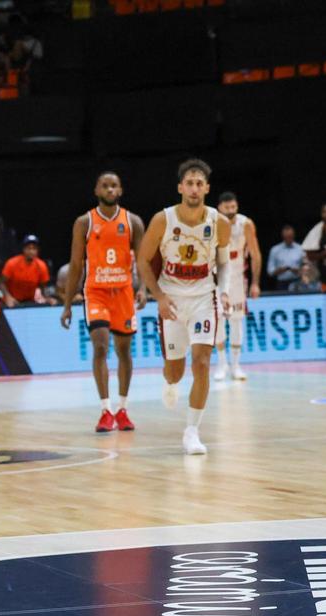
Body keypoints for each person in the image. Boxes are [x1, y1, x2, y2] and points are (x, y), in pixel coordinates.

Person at [136, 159, 232, 456]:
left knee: (202, 361)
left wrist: (224, 291)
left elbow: (224, 261)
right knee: (175, 372)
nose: (194, 188)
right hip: (173, 299)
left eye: (199, 183)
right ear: (180, 187)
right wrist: (159, 297)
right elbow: (142, 261)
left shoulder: (219, 222)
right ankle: (170, 381)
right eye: (189, 183)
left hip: (205, 296)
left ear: (207, 188)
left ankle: (192, 432)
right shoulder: (162, 220)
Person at [59, 171, 146, 433]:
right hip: (95, 291)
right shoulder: (84, 222)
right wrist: (66, 303)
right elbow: (76, 264)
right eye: (105, 185)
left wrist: (142, 288)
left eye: (114, 186)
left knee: (123, 351)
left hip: (123, 292)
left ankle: (123, 409)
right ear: (96, 190)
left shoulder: (133, 222)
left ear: (120, 191)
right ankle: (105, 410)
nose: (110, 189)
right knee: (99, 346)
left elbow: (141, 262)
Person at [213, 192, 262, 382]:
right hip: (217, 275)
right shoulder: (212, 222)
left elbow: (256, 254)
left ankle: (236, 365)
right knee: (218, 319)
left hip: (238, 277)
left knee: (236, 321)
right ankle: (221, 364)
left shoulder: (246, 224)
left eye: (234, 207)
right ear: (220, 208)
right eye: (227, 208)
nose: (231, 211)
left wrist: (256, 282)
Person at [0, 235, 51, 305]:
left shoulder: (42, 265)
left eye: (34, 248)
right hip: (13, 300)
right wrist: (8, 297)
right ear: (24, 249)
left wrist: (47, 298)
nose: (31, 251)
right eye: (28, 248)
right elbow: (1, 282)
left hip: (30, 301)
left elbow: (43, 286)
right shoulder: (12, 263)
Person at [267, 225, 305, 290]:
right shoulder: (275, 250)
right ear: (283, 237)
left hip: (297, 282)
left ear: (293, 236)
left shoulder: (301, 249)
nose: (288, 239)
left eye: (290, 237)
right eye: (286, 237)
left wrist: (298, 271)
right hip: (281, 284)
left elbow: (307, 267)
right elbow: (270, 271)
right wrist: (279, 270)